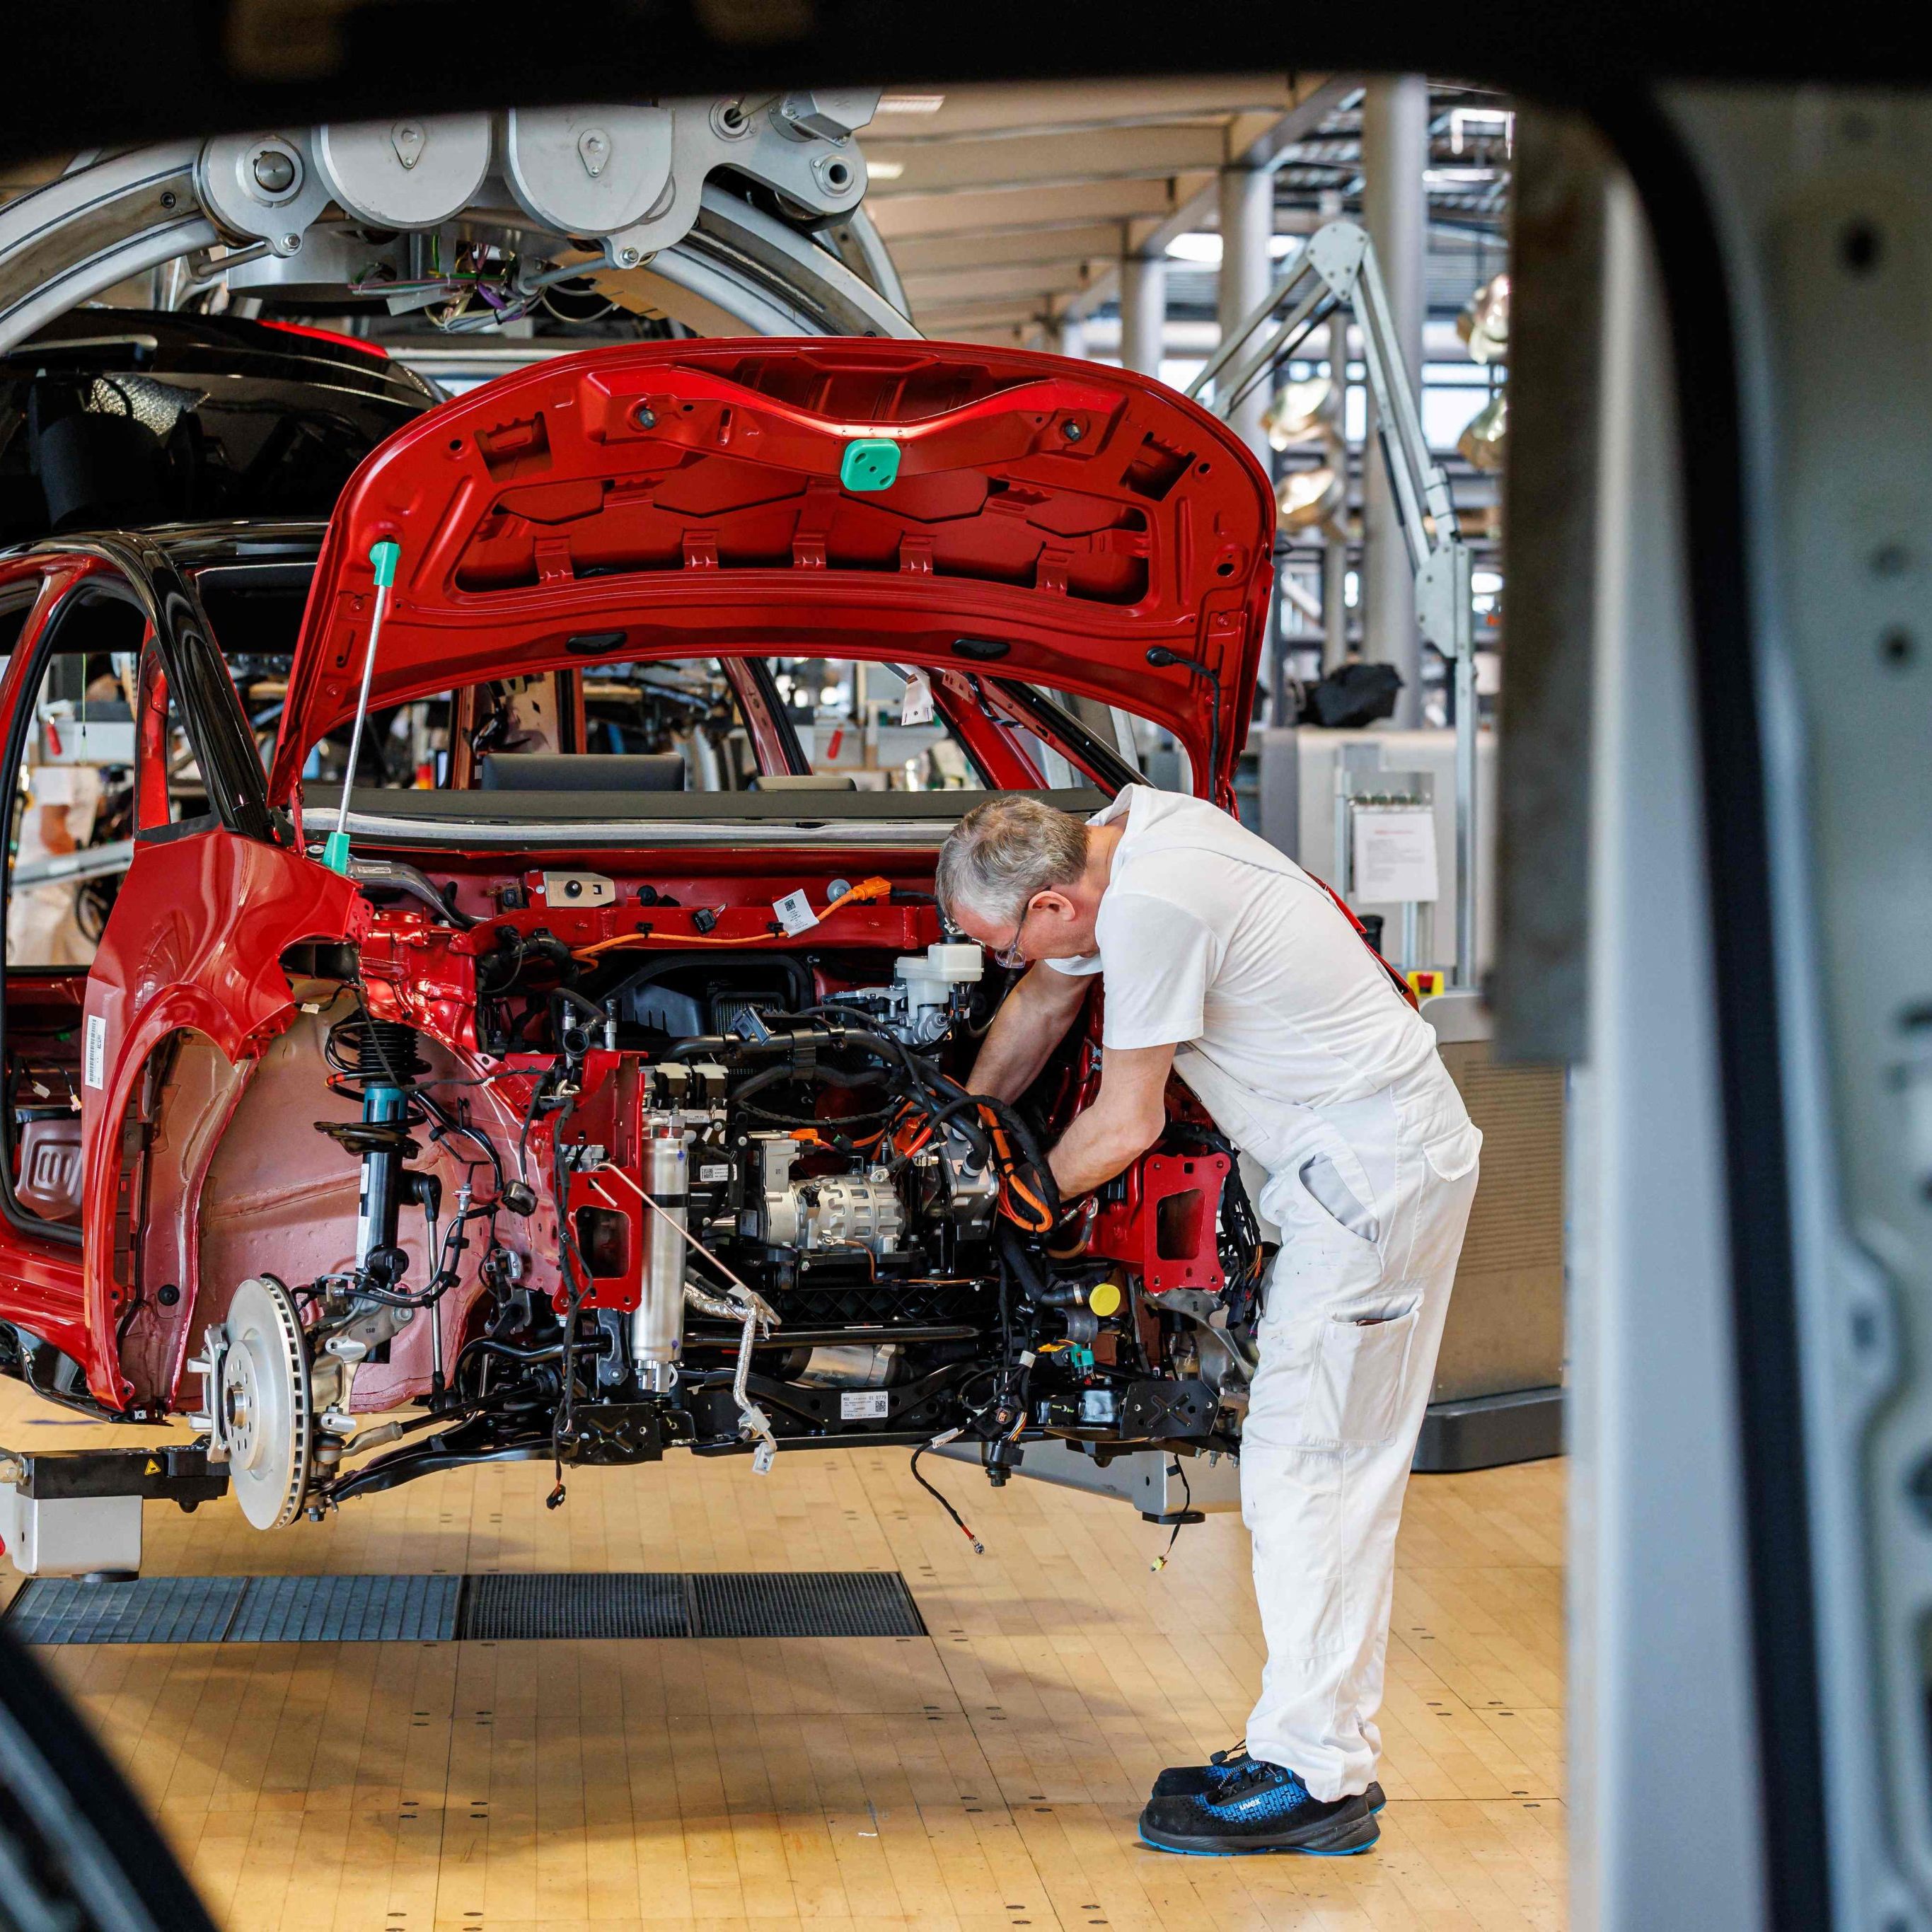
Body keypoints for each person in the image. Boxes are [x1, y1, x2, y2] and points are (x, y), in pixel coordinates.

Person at [935, 785, 1481, 1858]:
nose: (1005, 960)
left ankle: (1319, 1776)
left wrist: (1017, 1204)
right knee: (1308, 1465)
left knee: (1313, 1473)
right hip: (1355, 1169)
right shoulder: (1128, 832)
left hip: (1370, 1188)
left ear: (1049, 903)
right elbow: (1045, 1002)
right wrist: (963, 1131)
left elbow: (1128, 1119)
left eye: (995, 943)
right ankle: (1299, 1740)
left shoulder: (1156, 905)